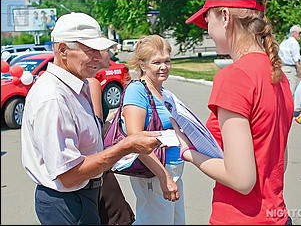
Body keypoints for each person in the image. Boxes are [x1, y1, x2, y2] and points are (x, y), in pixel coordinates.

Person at [21, 12, 161, 225]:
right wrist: (125, 147)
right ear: (63, 50)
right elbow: (68, 174)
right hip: (67, 201)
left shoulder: (79, 85)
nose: (99, 57)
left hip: (82, 195)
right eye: (89, 50)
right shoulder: (53, 98)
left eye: (100, 50)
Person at [173, 0, 293, 224]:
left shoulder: (234, 77)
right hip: (277, 215)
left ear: (225, 16)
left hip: (241, 218)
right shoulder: (279, 76)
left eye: (208, 21)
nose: (207, 31)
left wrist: (188, 152)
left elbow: (242, 180)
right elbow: (280, 163)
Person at [122, 34, 186, 225]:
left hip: (172, 172)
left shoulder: (163, 92)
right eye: (156, 62)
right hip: (155, 175)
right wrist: (164, 177)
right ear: (142, 65)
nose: (163, 67)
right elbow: (136, 140)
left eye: (167, 61)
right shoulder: (137, 90)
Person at [87, 77, 136, 224]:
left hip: (88, 167)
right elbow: (96, 127)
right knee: (115, 215)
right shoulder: (91, 83)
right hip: (96, 165)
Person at [279, 25, 301, 101]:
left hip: (282, 68)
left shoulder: (284, 43)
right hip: (290, 69)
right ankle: (288, 111)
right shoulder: (294, 43)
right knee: (290, 92)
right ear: (293, 33)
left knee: (282, 92)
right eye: (299, 33)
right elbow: (297, 60)